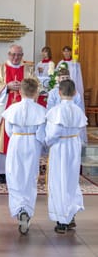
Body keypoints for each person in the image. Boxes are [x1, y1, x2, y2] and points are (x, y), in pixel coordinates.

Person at [0, 44, 35, 184]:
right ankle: (2, 173)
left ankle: (20, 171)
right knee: (3, 139)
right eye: (13, 54)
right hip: (3, 110)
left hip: (22, 112)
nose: (16, 57)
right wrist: (6, 87)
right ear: (8, 54)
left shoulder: (28, 70)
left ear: (22, 55)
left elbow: (36, 85)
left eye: (19, 55)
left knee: (19, 139)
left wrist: (24, 88)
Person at [2, 78, 46, 235]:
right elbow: (42, 134)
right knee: (30, 177)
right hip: (32, 143)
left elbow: (8, 130)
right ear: (36, 93)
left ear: (19, 91)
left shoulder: (13, 109)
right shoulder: (41, 110)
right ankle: (26, 209)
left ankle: (19, 208)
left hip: (16, 141)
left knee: (14, 176)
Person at [45, 79, 87, 234]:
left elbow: (52, 134)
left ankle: (62, 220)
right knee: (71, 181)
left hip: (60, 147)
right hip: (74, 146)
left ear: (59, 92)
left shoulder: (56, 111)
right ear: (75, 93)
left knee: (59, 181)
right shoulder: (78, 110)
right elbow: (81, 129)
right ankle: (70, 216)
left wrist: (47, 142)